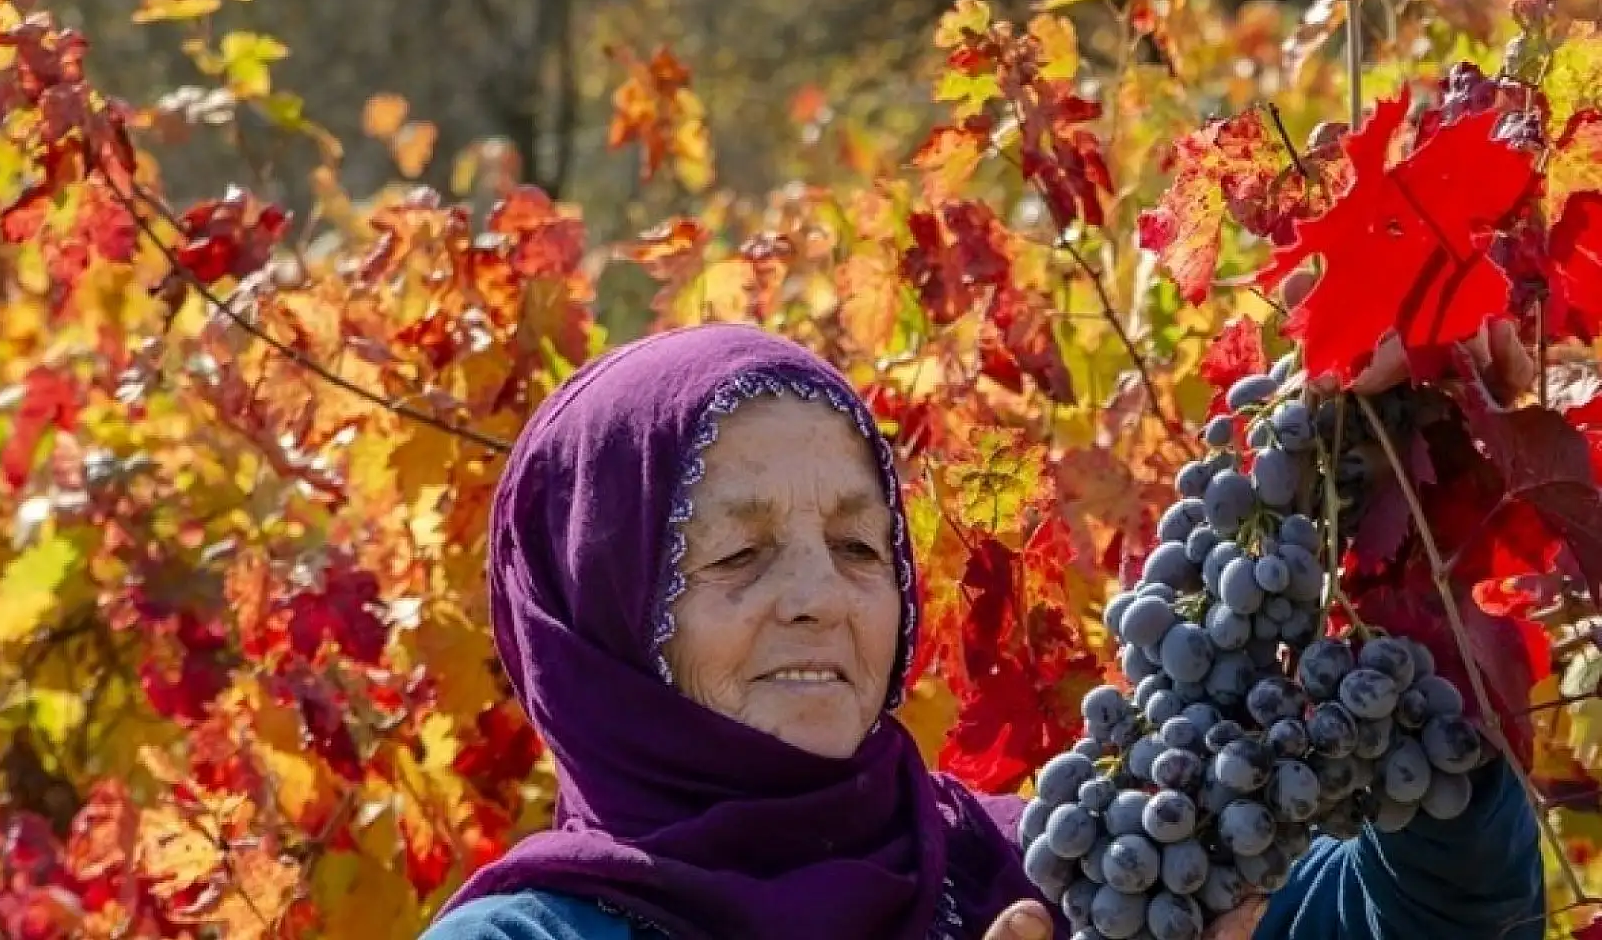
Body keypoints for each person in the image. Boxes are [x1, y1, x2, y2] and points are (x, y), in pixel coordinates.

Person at [422, 323, 1545, 940]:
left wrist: (1406, 525)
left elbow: (1440, 918)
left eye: (863, 548)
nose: (822, 596)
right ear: (595, 622)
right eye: (735, 554)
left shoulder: (1059, 865)